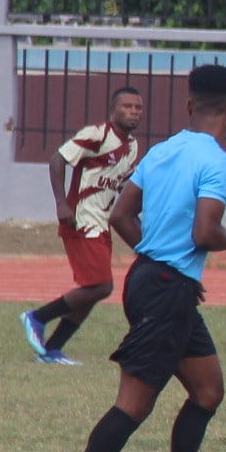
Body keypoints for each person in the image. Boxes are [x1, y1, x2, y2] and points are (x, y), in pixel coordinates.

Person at [26, 64, 226, 452]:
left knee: (208, 390)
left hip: (156, 281)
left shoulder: (163, 150)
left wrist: (155, 261)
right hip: (166, 288)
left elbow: (120, 215)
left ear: (189, 106)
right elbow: (204, 233)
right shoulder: (219, 163)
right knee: (133, 403)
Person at [20, 84, 146, 364]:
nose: (133, 112)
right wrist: (61, 203)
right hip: (81, 220)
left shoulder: (133, 147)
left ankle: (52, 350)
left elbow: (120, 187)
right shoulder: (96, 134)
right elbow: (57, 159)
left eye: (138, 108)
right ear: (113, 110)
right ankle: (36, 317)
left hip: (102, 222)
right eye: (127, 106)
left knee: (93, 289)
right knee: (100, 286)